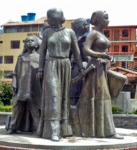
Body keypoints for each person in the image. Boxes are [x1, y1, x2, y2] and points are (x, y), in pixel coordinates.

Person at [36, 8, 83, 141]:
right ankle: (53, 130)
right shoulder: (47, 33)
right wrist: (40, 69)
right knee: (53, 96)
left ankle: (64, 128)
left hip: (65, 65)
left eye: (49, 17)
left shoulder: (70, 32)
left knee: (64, 98)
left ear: (57, 17)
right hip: (51, 64)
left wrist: (81, 68)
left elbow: (76, 52)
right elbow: (42, 52)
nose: (47, 19)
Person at [78, 10, 123, 139]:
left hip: (103, 68)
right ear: (98, 20)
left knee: (105, 98)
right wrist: (99, 55)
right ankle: (96, 130)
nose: (108, 20)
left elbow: (105, 52)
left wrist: (110, 58)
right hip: (94, 69)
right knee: (98, 97)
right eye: (105, 17)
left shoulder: (103, 35)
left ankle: (107, 130)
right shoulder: (93, 33)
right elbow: (85, 50)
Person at [7, 35, 42, 134]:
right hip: (22, 87)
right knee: (17, 108)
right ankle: (13, 127)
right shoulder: (21, 58)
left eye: (32, 41)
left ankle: (39, 128)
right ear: (25, 44)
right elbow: (16, 72)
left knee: (35, 109)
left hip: (34, 88)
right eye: (27, 41)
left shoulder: (40, 58)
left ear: (36, 45)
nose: (30, 42)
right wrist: (14, 82)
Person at [70, 18, 90, 106]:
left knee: (78, 92)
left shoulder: (85, 38)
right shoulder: (76, 38)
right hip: (76, 68)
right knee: (75, 92)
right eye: (85, 24)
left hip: (81, 67)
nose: (87, 26)